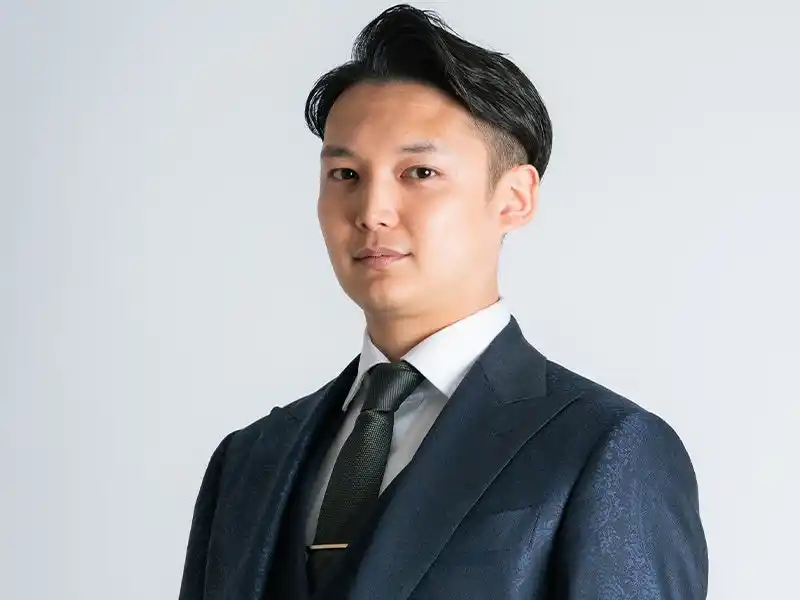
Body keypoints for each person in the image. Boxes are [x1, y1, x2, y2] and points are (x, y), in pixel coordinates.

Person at [178, 4, 708, 599]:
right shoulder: (248, 459)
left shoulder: (605, 447)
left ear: (514, 198)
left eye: (420, 173)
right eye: (346, 175)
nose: (372, 211)